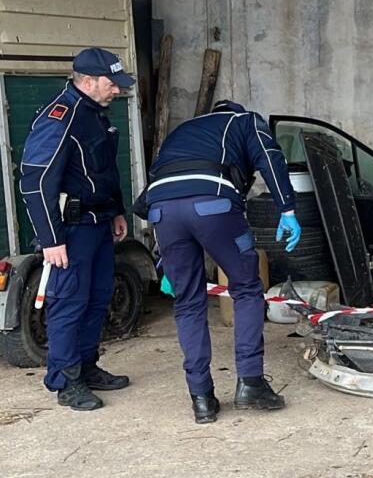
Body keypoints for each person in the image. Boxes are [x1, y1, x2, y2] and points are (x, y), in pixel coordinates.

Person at [145, 100, 300, 423]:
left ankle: (201, 398)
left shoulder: (183, 130)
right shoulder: (243, 121)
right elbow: (269, 157)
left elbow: (159, 184)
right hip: (212, 204)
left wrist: (164, 262)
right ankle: (251, 384)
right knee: (245, 288)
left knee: (187, 301)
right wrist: (287, 209)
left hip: (161, 211)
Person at [20, 47, 136, 411]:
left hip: (99, 223)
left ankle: (86, 366)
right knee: (69, 303)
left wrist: (116, 211)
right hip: (71, 230)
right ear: (88, 81)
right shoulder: (61, 117)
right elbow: (35, 182)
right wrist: (50, 238)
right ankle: (64, 380)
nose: (116, 90)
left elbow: (103, 171)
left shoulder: (95, 114)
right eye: (111, 84)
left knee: (98, 296)